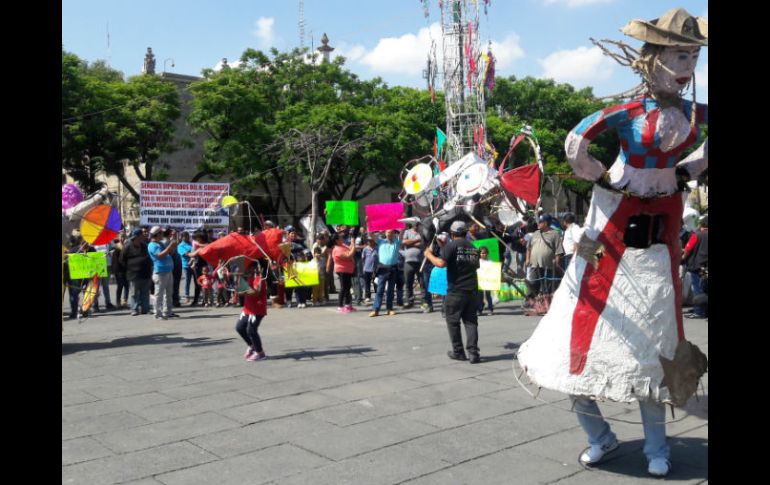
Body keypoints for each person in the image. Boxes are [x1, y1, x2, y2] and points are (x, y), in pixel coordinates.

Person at [516, 8, 708, 478]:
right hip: (611, 230)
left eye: (692, 56)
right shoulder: (626, 113)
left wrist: (687, 171)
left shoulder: (693, 112)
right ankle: (599, 436)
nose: (686, 68)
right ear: (650, 60)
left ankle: (656, 447)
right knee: (574, 348)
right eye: (678, 56)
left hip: (660, 238)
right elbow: (577, 140)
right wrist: (603, 178)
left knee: (654, 353)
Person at [423, 221, 481, 363]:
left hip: (456, 290)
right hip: (472, 290)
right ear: (465, 232)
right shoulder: (473, 247)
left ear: (452, 233)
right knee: (471, 322)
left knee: (453, 321)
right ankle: (473, 353)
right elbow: (474, 265)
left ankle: (458, 352)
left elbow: (441, 263)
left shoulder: (451, 246)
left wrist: (428, 255)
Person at [524, 214, 564, 300]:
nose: (538, 223)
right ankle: (531, 302)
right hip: (534, 264)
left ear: (545, 223)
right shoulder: (535, 234)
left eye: (540, 222)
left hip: (548, 265)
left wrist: (557, 262)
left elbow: (559, 250)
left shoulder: (554, 235)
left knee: (548, 285)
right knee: (533, 283)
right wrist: (527, 259)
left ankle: (547, 302)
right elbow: (528, 248)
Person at [235, 261, 268, 361]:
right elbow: (238, 289)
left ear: (253, 268)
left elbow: (256, 292)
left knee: (251, 330)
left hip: (258, 308)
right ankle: (252, 345)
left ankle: (260, 352)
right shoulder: (245, 277)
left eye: (247, 267)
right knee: (239, 327)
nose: (244, 270)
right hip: (248, 308)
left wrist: (243, 291)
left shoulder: (259, 277)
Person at [147, 226, 179, 320]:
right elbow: (160, 255)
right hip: (160, 272)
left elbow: (169, 253)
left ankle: (168, 311)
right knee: (159, 294)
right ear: (157, 234)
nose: (162, 235)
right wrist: (170, 246)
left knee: (168, 293)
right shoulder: (152, 245)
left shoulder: (160, 243)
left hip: (168, 270)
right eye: (161, 233)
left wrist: (173, 245)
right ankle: (157, 313)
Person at [369, 229, 401, 317]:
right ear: (385, 233)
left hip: (393, 269)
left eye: (391, 232)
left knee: (390, 290)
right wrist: (368, 223)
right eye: (388, 232)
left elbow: (403, 231)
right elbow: (370, 234)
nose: (389, 234)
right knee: (380, 290)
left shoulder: (397, 242)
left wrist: (403, 220)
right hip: (383, 269)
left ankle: (389, 309)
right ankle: (376, 310)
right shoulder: (381, 241)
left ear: (394, 233)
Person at [120, 229, 153, 316]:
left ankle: (145, 308)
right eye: (141, 235)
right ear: (137, 237)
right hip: (133, 274)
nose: (143, 236)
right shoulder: (127, 247)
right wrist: (130, 267)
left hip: (145, 273)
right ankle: (134, 309)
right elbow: (122, 260)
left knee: (145, 292)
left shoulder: (144, 246)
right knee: (134, 293)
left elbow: (149, 258)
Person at [682, 214, 708, 318]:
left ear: (701, 224)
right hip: (706, 266)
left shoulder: (697, 235)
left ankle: (699, 311)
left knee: (698, 289)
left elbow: (688, 248)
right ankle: (704, 310)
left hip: (698, 266)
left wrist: (683, 257)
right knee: (705, 289)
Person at [328, 232, 356, 313]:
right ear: (336, 240)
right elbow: (349, 256)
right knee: (344, 288)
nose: (342, 238)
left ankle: (347, 305)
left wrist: (352, 241)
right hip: (342, 270)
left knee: (347, 287)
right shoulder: (337, 249)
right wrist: (353, 244)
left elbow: (350, 248)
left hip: (348, 270)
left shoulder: (342, 245)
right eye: (340, 238)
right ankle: (340, 306)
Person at [401, 223, 424, 309]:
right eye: (415, 224)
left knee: (422, 283)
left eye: (418, 224)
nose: (417, 226)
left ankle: (424, 302)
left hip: (419, 261)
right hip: (408, 261)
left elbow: (422, 243)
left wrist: (410, 243)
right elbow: (404, 242)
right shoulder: (407, 232)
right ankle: (409, 301)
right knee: (408, 283)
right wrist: (416, 240)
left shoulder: (422, 232)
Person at [165, 228, 183, 307]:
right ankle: (170, 302)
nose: (174, 235)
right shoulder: (166, 242)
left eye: (175, 234)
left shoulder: (178, 243)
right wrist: (172, 245)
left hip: (178, 266)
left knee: (176, 284)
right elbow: (169, 254)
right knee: (170, 285)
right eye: (172, 234)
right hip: (170, 266)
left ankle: (176, 300)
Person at [111, 233, 130, 309]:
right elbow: (114, 261)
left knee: (127, 285)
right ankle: (118, 302)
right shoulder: (116, 247)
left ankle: (125, 301)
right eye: (121, 237)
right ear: (119, 238)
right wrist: (114, 271)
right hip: (118, 270)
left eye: (124, 237)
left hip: (126, 269)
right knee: (120, 286)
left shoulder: (126, 246)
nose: (123, 238)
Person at [177, 232, 194, 303]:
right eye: (185, 236)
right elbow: (186, 254)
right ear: (182, 237)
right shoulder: (180, 246)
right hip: (186, 266)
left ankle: (197, 296)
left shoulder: (191, 243)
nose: (187, 238)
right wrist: (193, 253)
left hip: (194, 265)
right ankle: (187, 296)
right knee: (187, 281)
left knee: (197, 282)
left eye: (187, 236)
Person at [477, 246, 495, 316]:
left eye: (485, 253)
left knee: (488, 295)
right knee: (479, 296)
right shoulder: (477, 261)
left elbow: (493, 270)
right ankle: (479, 309)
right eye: (482, 253)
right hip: (480, 280)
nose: (483, 254)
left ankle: (490, 309)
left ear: (487, 253)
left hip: (488, 280)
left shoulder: (490, 261)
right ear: (479, 254)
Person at [361, 237, 378, 303]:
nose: (370, 242)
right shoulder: (365, 249)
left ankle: (377, 295)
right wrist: (363, 267)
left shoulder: (377, 248)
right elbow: (363, 258)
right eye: (369, 241)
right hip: (367, 269)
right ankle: (367, 296)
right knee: (367, 283)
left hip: (375, 269)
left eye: (371, 241)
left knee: (376, 283)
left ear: (374, 241)